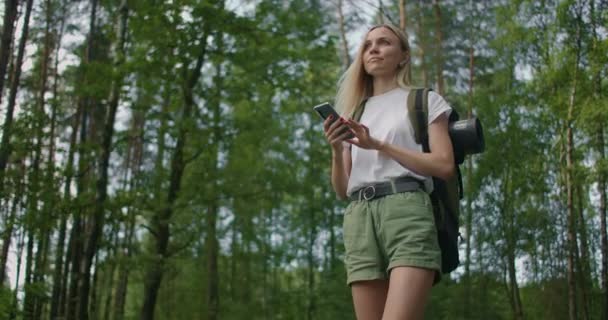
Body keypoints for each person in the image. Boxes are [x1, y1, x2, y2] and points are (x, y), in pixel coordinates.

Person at [323, 23, 454, 320]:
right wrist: (335, 149)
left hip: (406, 208)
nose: (374, 49)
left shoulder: (424, 101)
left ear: (403, 55)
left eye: (384, 43)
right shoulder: (354, 113)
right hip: (359, 218)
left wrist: (378, 145)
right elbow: (342, 189)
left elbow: (444, 165)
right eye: (368, 45)